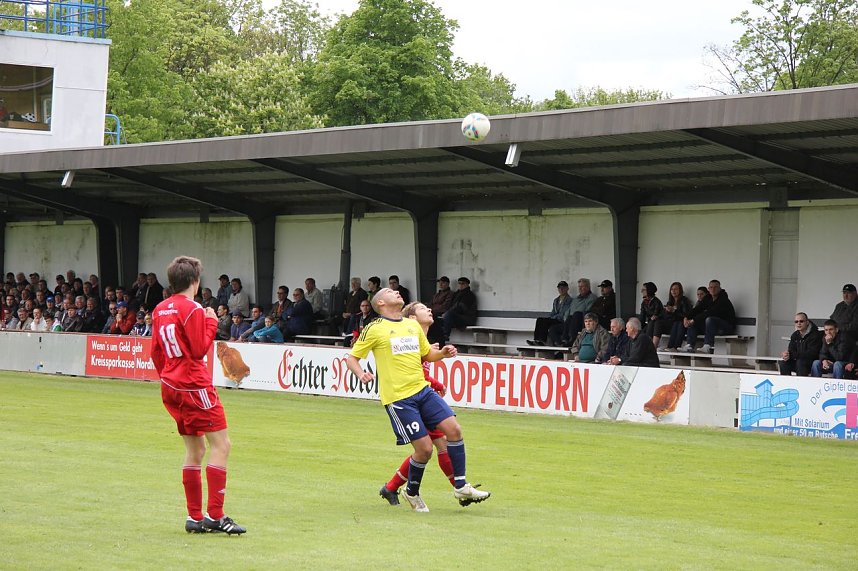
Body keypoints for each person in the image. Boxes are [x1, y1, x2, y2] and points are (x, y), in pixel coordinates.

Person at [347, 288, 489, 512]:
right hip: (399, 398)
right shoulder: (374, 328)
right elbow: (352, 358)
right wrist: (361, 373)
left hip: (423, 391)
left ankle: (461, 486)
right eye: (390, 291)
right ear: (381, 303)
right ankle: (411, 492)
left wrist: (442, 353)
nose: (396, 292)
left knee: (454, 430)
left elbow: (427, 354)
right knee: (424, 450)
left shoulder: (411, 326)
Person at [150, 255, 246, 535]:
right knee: (221, 445)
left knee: (195, 450)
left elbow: (156, 352)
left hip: (171, 385)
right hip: (193, 384)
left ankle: (194, 517)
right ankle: (215, 516)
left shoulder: (159, 309)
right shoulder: (193, 308)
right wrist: (211, 322)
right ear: (195, 281)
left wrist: (169, 377)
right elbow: (197, 349)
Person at [380, 301, 483, 507]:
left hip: (422, 397)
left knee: (431, 447)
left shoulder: (422, 340)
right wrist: (436, 384)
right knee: (433, 447)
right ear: (412, 318)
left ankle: (392, 487)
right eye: (422, 308)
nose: (429, 310)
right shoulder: (407, 339)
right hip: (411, 400)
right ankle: (459, 488)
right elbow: (412, 372)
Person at [684, 280, 736, 354]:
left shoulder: (723, 299)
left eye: (715, 287)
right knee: (694, 323)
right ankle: (689, 345)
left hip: (726, 327)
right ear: (708, 289)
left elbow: (710, 313)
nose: (713, 289)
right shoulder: (708, 298)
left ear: (720, 288)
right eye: (711, 287)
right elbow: (697, 309)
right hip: (712, 328)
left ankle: (708, 346)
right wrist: (686, 317)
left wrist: (693, 320)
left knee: (709, 319)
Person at [527, 281, 572, 346]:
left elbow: (563, 313)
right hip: (555, 319)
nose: (561, 289)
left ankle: (542, 341)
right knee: (540, 319)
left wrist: (553, 317)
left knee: (545, 321)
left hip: (561, 320)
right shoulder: (556, 300)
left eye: (563, 288)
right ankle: (537, 340)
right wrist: (552, 317)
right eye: (559, 288)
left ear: (567, 289)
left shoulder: (569, 300)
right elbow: (553, 312)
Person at [779, 312, 823, 377]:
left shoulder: (815, 335)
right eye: (796, 322)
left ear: (807, 322)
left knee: (800, 362)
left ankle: (801, 383)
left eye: (801, 321)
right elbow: (791, 350)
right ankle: (786, 382)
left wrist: (794, 355)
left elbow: (812, 354)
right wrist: (787, 355)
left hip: (812, 363)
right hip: (799, 361)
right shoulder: (795, 335)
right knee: (783, 363)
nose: (798, 323)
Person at [558, 278, 598, 345]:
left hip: (581, 320)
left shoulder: (592, 298)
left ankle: (572, 340)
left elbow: (588, 311)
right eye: (579, 287)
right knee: (553, 329)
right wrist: (565, 318)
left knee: (576, 314)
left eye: (582, 286)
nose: (580, 288)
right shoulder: (576, 299)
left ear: (588, 287)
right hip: (569, 321)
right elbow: (568, 310)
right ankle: (561, 343)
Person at [441, 277, 478, 343]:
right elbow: (451, 306)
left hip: (467, 318)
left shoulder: (469, 295)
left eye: (463, 283)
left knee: (449, 315)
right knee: (439, 317)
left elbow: (461, 308)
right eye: (459, 283)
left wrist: (448, 313)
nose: (461, 285)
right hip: (458, 317)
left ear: (467, 284)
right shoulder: (456, 294)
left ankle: (445, 336)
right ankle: (436, 336)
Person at [663, 282, 693, 351]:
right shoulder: (670, 302)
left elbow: (686, 315)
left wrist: (674, 311)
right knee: (676, 323)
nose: (673, 291)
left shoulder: (684, 300)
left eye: (676, 289)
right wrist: (667, 311)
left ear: (680, 290)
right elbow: (666, 317)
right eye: (672, 289)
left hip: (682, 323)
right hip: (672, 323)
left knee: (678, 323)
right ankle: (670, 347)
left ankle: (675, 347)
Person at [427, 276, 454, 345]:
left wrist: (433, 309)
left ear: (447, 284)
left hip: (441, 314)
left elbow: (446, 306)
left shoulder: (450, 293)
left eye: (443, 283)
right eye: (440, 283)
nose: (441, 285)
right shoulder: (436, 295)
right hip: (434, 313)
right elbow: (430, 304)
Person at [639, 282, 664, 348]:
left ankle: (652, 347)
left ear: (649, 290)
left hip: (659, 323)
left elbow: (658, 315)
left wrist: (655, 317)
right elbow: (642, 317)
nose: (641, 291)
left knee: (653, 322)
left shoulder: (656, 302)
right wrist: (638, 326)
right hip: (650, 323)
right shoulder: (644, 302)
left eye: (644, 290)